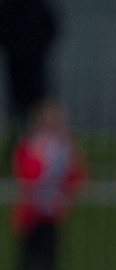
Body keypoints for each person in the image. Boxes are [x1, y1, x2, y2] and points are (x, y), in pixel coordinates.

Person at [9, 96, 85, 270]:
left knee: (48, 266)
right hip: (33, 216)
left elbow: (76, 177)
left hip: (51, 216)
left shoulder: (65, 147)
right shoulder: (32, 145)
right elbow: (28, 174)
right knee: (29, 266)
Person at [0, 0, 59, 161]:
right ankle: (21, 152)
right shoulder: (10, 6)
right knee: (18, 113)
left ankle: (42, 153)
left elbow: (52, 28)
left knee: (38, 111)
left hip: (35, 68)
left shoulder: (38, 5)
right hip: (18, 69)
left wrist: (36, 49)